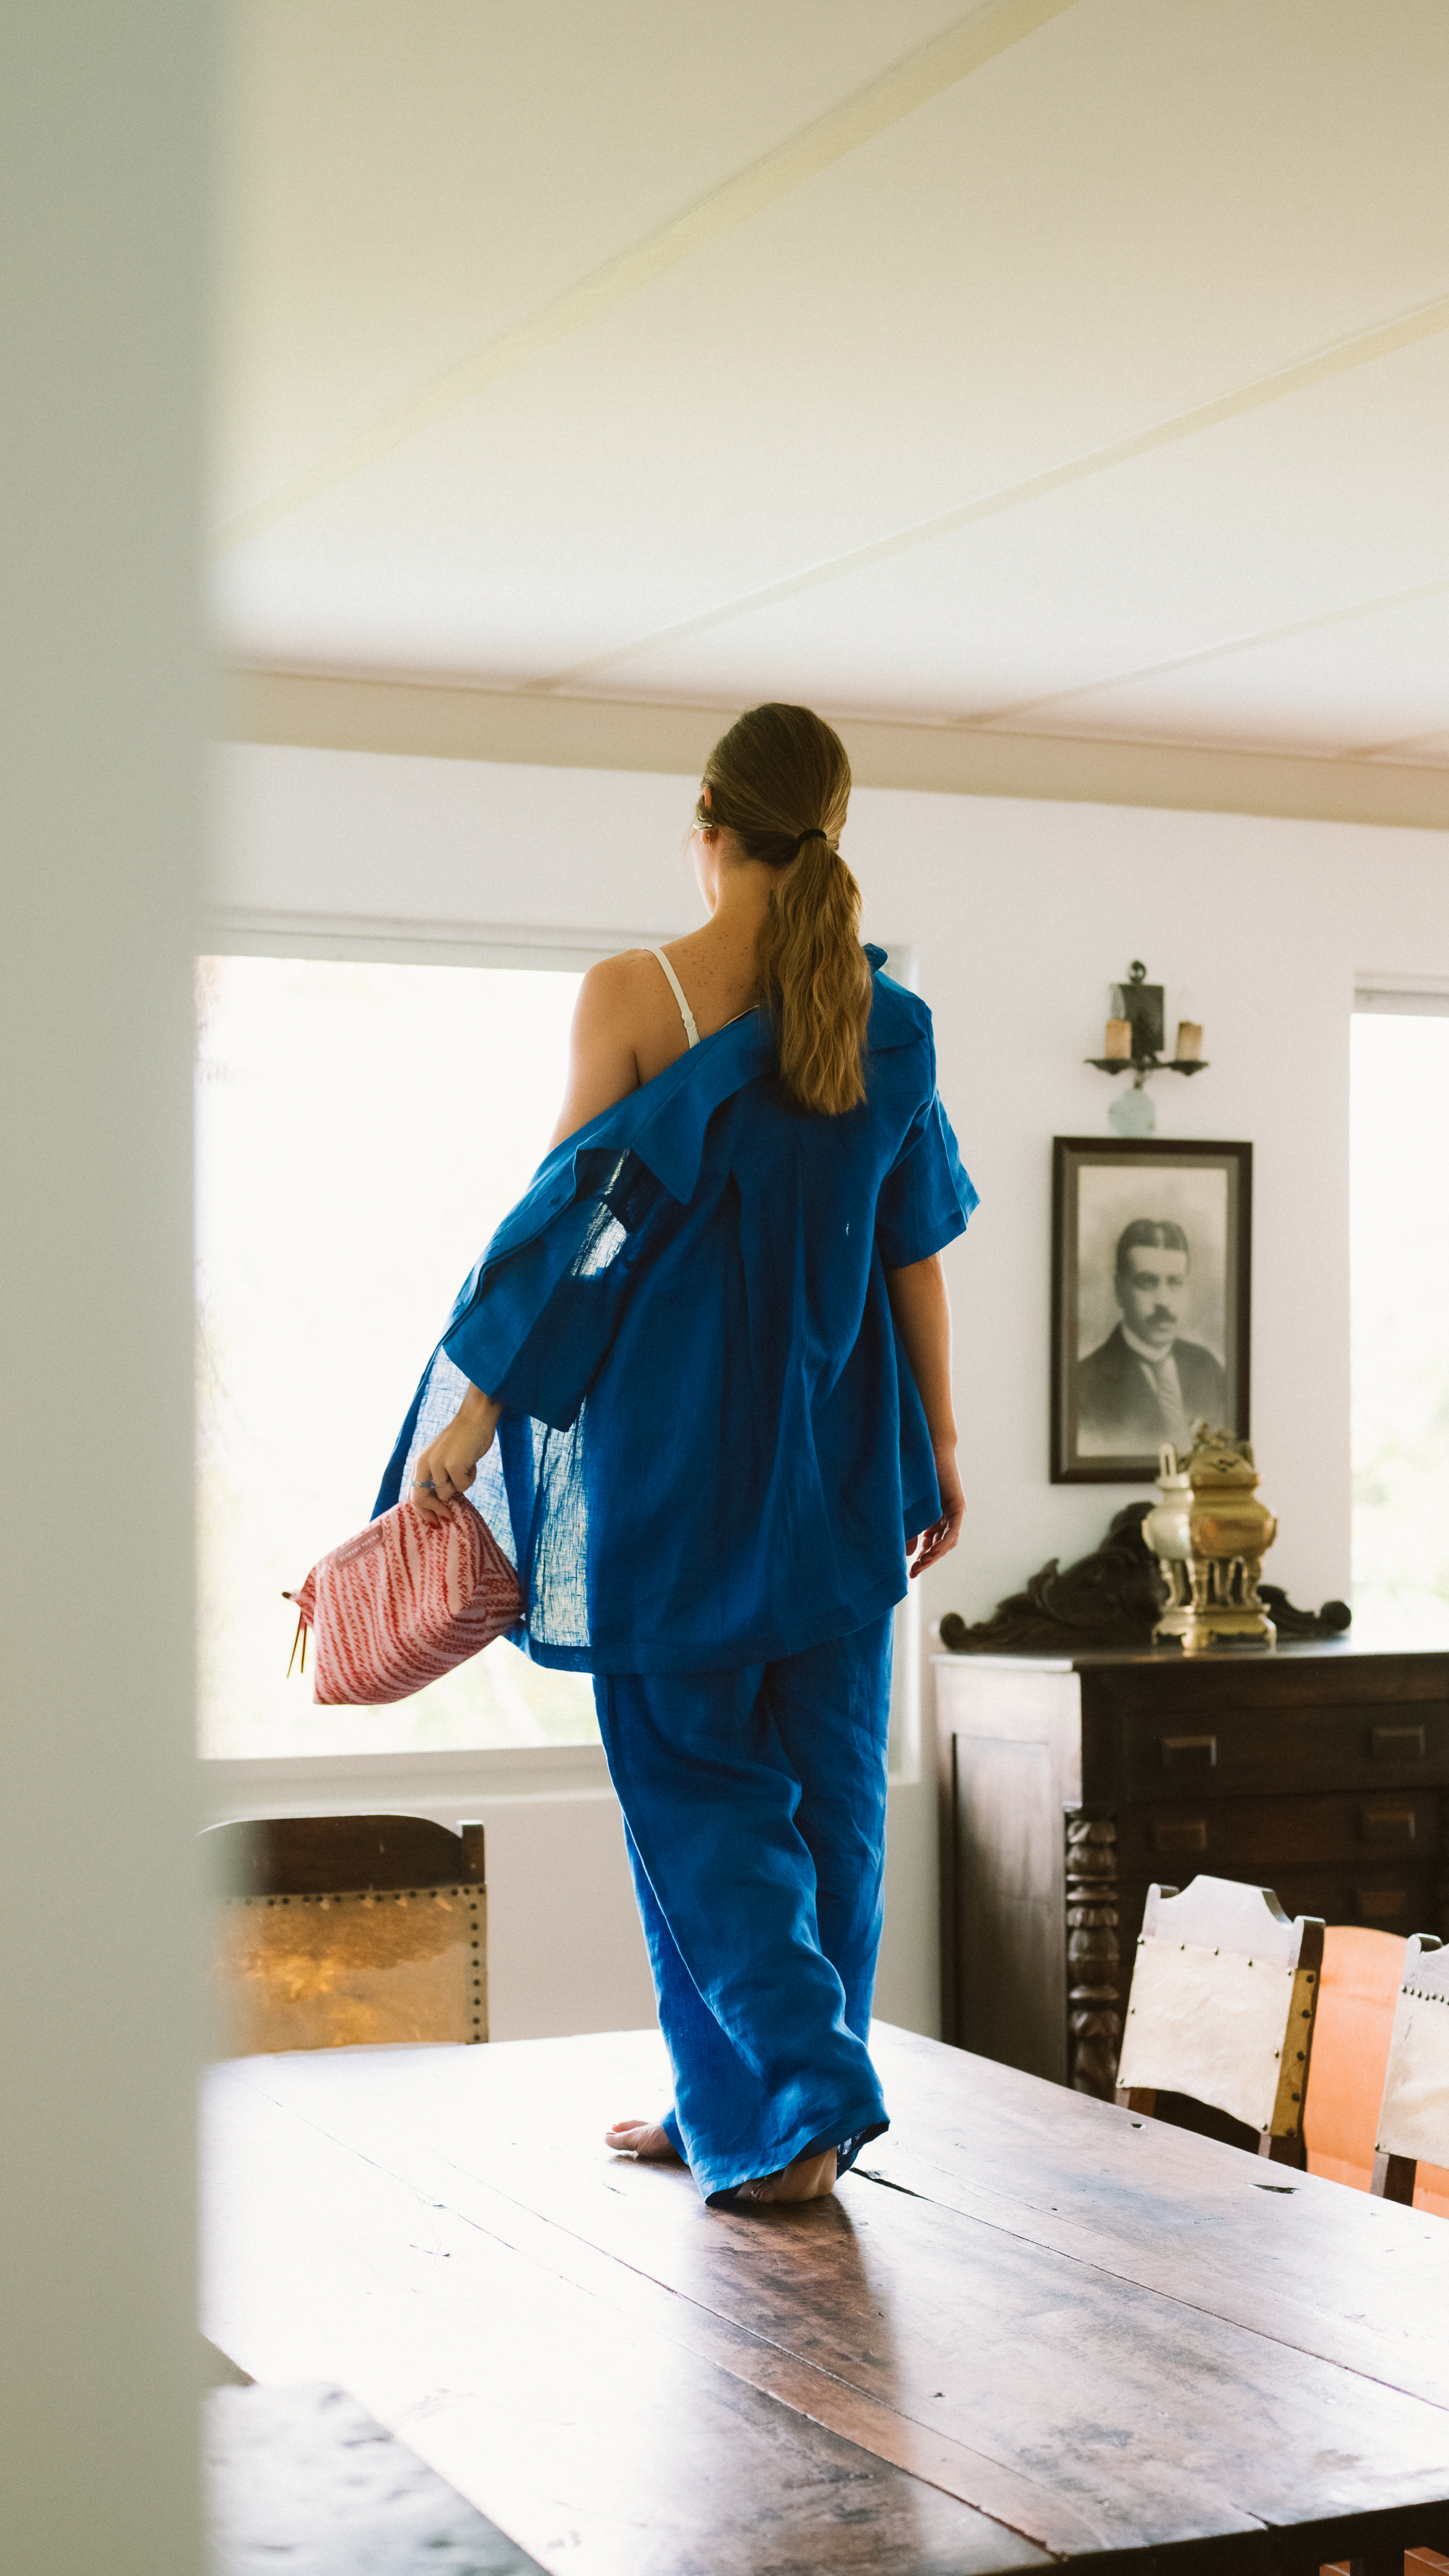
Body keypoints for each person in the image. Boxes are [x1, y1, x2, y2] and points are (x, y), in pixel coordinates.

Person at [376, 703, 975, 2209]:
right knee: (829, 1806)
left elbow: (566, 1239)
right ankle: (741, 2110)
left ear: (707, 824)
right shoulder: (890, 1023)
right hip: (838, 1468)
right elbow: (912, 1253)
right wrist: (944, 1445)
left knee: (698, 1800)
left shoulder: (638, 993)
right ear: (832, 827)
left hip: (669, 1476)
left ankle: (803, 2104)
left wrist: (471, 1422)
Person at [1074, 1216, 1225, 1457]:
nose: (1163, 1301)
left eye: (1175, 1282)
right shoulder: (1082, 1385)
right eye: (1147, 1283)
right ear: (1119, 1290)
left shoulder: (1207, 1366)